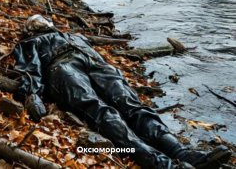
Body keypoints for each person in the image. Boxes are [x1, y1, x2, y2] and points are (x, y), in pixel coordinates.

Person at [14, 15, 231, 169]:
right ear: (29, 29)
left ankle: (181, 152)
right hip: (61, 67)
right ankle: (158, 162)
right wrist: (32, 93)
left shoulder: (73, 35)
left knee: (130, 104)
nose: (39, 22)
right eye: (34, 22)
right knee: (101, 111)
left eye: (41, 19)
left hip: (95, 64)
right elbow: (30, 68)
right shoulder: (30, 43)